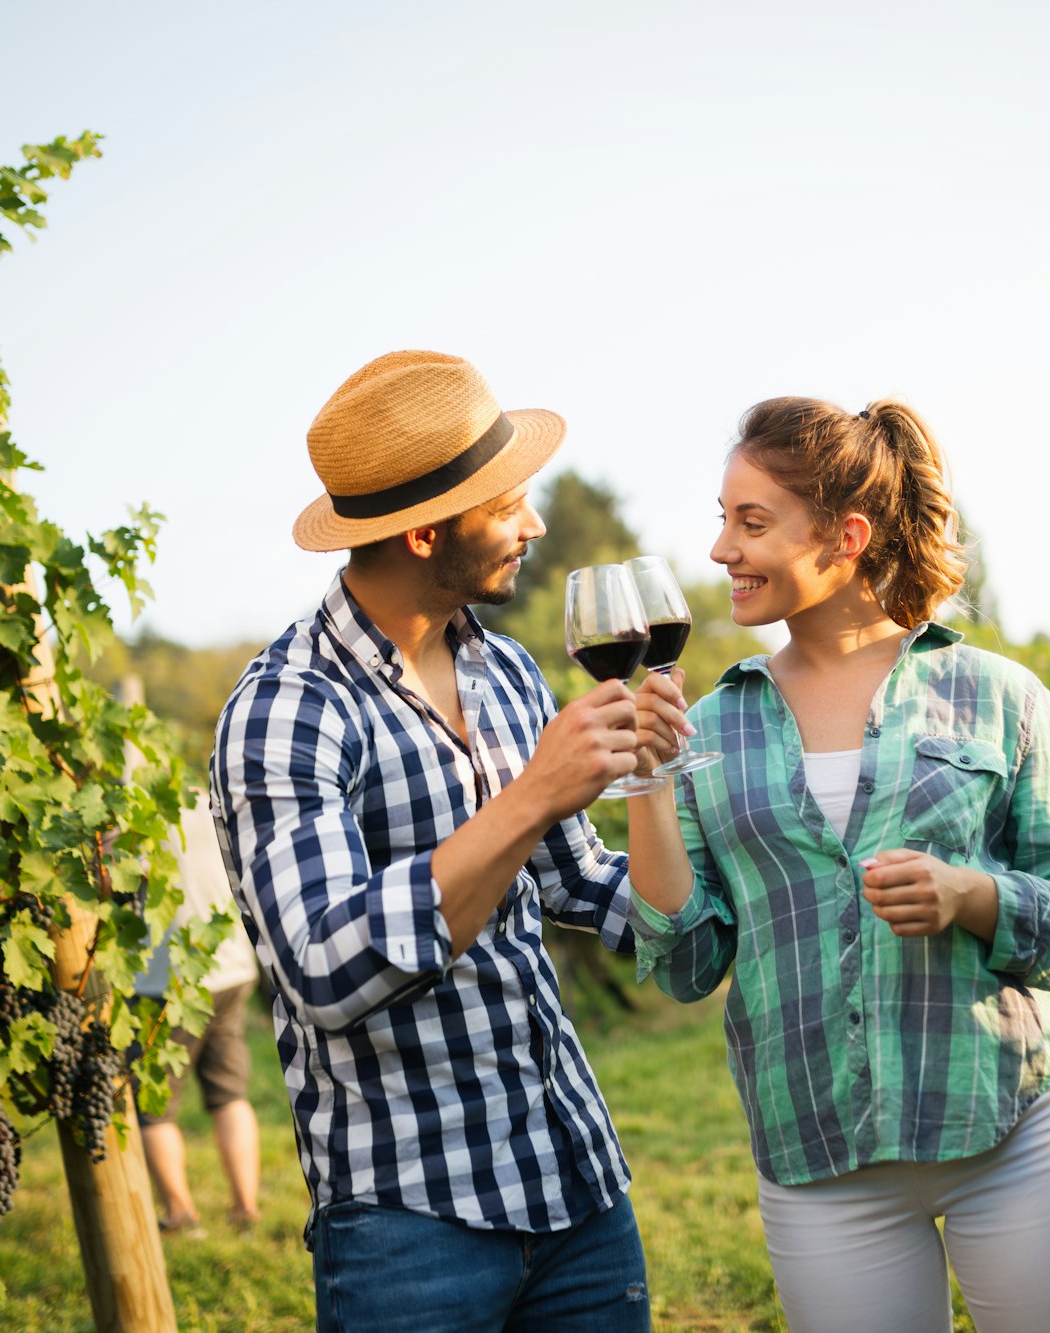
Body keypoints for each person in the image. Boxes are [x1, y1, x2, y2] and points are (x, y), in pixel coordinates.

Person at [622, 397, 1050, 1332]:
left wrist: (973, 895)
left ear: (846, 537)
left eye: (751, 522)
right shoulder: (713, 725)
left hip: (1012, 1128)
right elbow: (688, 962)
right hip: (820, 1159)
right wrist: (650, 784)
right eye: (723, 519)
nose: (721, 549)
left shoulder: (998, 694)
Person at [210, 350, 685, 1332]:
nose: (534, 524)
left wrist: (722, 867)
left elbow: (580, 882)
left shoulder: (504, 669)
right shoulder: (288, 707)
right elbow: (325, 967)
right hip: (410, 1221)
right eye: (508, 505)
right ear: (424, 533)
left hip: (573, 1181)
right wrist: (531, 794)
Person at [135, 792, 264, 1236]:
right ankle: (245, 1210)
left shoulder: (129, 811)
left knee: (154, 1108)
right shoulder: (203, 797)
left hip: (167, 981)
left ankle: (181, 1215)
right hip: (230, 965)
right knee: (230, 1093)